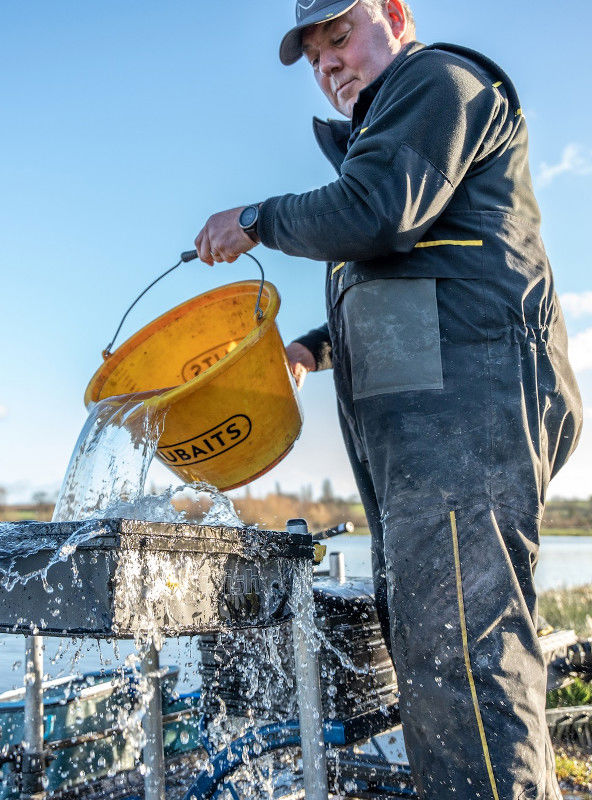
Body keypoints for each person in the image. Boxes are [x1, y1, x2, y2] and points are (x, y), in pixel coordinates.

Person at [194, 0, 583, 797]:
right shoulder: (392, 135)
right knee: (434, 651)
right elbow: (413, 282)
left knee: (465, 659)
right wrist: (311, 346)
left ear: (396, 15)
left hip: (468, 420)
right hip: (429, 431)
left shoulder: (439, 81)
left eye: (340, 36)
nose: (330, 63)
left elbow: (375, 214)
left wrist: (256, 219)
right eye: (315, 58)